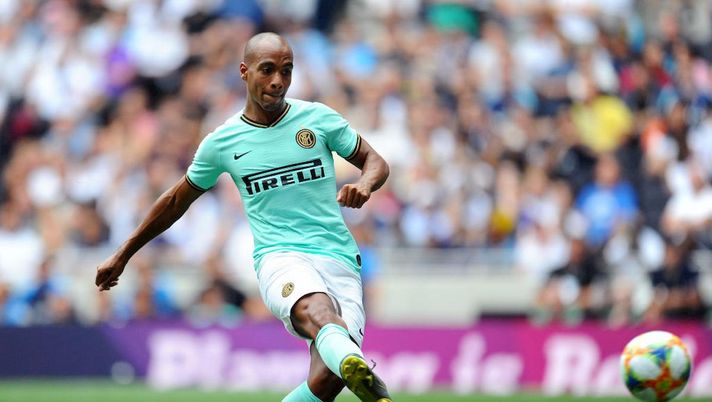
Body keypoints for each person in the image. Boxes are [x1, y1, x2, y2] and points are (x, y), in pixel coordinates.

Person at [94, 32, 392, 402]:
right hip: (281, 257)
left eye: (286, 71)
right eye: (267, 70)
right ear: (244, 71)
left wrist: (365, 183)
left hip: (339, 257)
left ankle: (351, 365)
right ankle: (371, 384)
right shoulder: (223, 141)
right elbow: (174, 201)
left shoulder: (317, 119)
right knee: (320, 312)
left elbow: (375, 161)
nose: (278, 81)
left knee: (329, 378)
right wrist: (123, 253)